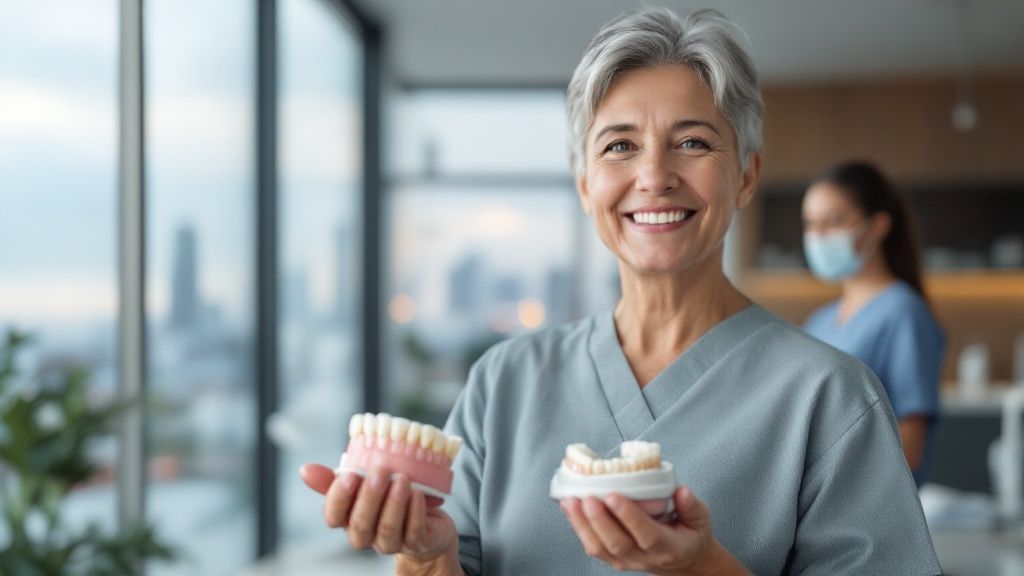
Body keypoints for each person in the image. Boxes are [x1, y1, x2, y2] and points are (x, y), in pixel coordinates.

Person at [300, 9, 941, 575]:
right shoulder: (504, 384)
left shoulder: (829, 398)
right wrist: (424, 554)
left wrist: (705, 571)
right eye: (619, 146)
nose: (654, 177)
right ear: (584, 184)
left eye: (693, 142)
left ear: (746, 176)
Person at [802, 161, 946, 487]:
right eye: (810, 224)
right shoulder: (820, 320)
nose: (817, 236)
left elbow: (910, 446)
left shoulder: (902, 311)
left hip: (869, 511)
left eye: (834, 221)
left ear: (877, 226)